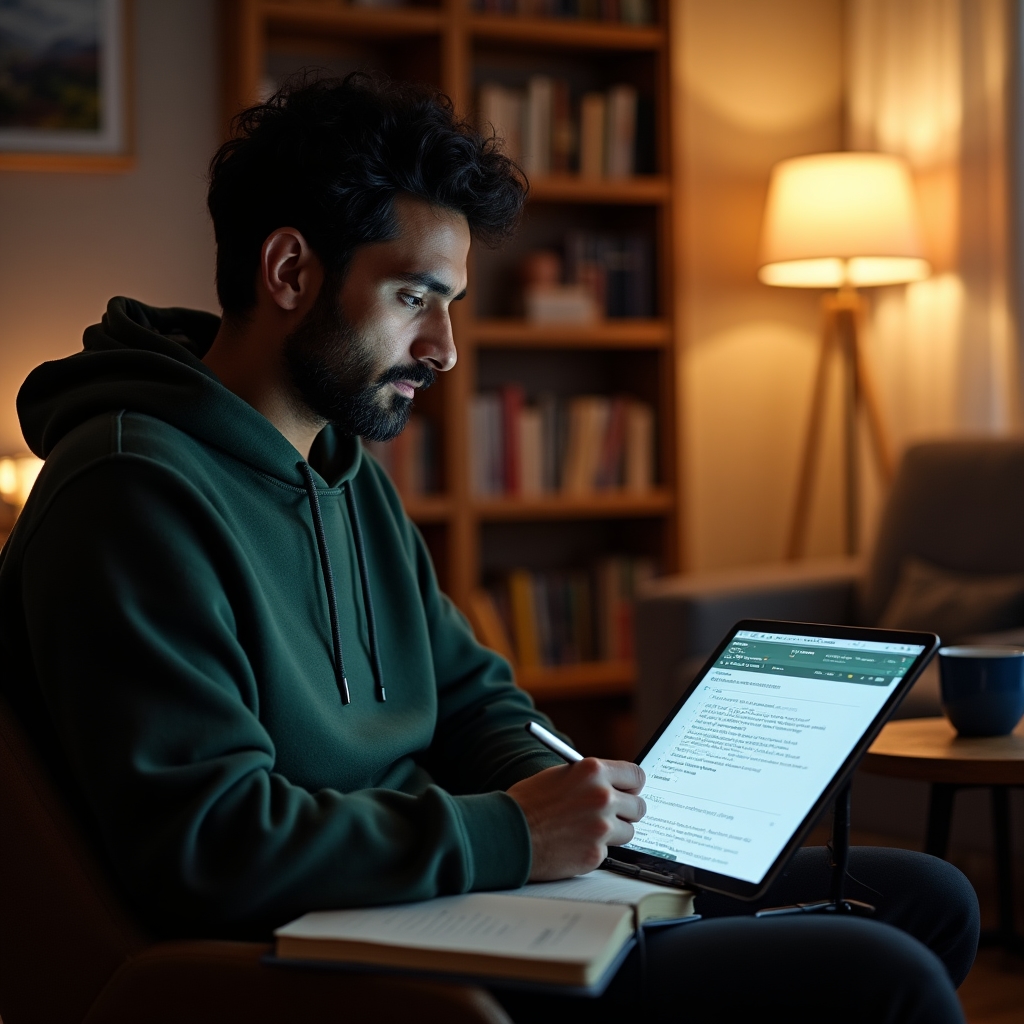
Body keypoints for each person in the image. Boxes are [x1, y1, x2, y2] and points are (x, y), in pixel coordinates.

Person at [0, 74, 977, 1023]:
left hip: (440, 892)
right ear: (290, 271)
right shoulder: (129, 493)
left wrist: (582, 809)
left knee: (922, 895)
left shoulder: (344, 470)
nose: (445, 351)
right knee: (875, 968)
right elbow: (210, 847)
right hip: (323, 952)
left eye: (452, 303)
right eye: (415, 298)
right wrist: (514, 832)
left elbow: (471, 699)